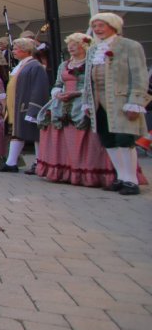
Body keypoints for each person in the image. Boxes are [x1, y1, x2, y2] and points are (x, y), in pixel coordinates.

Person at [35, 32, 147, 188]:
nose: (71, 48)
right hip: (63, 104)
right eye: (69, 45)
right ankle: (68, 171)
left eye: (75, 45)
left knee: (101, 138)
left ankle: (104, 174)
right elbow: (58, 83)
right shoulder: (64, 65)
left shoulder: (93, 63)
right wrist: (57, 93)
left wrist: (78, 93)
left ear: (84, 46)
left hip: (84, 101)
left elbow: (93, 84)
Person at [82, 13, 148, 195]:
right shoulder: (93, 50)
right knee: (108, 139)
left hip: (121, 101)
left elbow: (140, 75)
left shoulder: (130, 46)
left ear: (113, 25)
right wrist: (87, 102)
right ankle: (121, 176)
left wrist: (136, 101)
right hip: (98, 101)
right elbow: (88, 79)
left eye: (101, 25)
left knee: (124, 139)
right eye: (95, 26)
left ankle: (131, 180)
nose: (97, 29)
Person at [1, 38, 50, 173]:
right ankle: (11, 163)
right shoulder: (22, 65)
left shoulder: (35, 66)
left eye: (16, 49)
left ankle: (39, 163)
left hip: (27, 106)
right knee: (17, 133)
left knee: (36, 134)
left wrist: (34, 108)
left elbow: (39, 89)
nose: (13, 51)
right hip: (17, 106)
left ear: (26, 50)